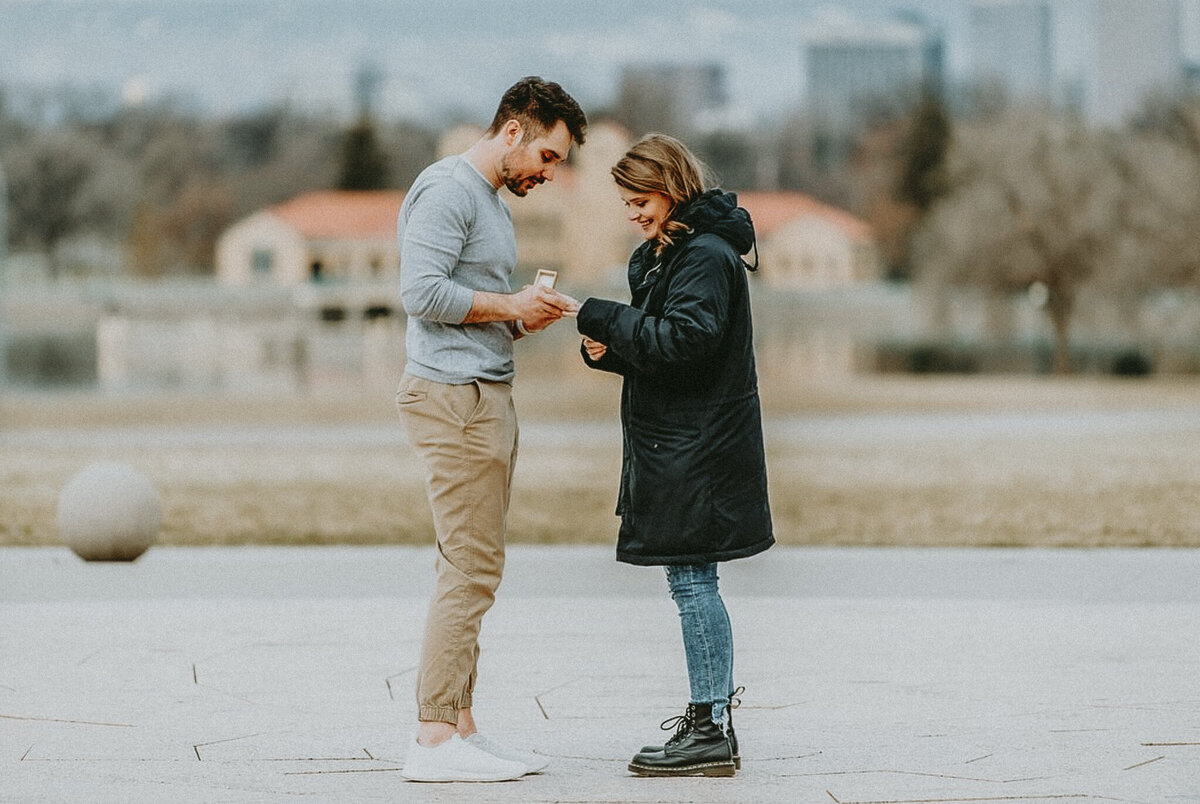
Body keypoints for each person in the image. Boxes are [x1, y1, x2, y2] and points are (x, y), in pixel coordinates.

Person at [395, 76, 586, 783]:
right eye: (548, 155)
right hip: (455, 399)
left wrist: (517, 315)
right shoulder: (449, 190)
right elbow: (420, 292)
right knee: (471, 568)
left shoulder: (487, 201)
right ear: (512, 131)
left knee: (469, 564)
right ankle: (434, 738)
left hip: (481, 392)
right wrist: (507, 302)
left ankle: (461, 728)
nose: (548, 172)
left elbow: (464, 298)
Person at [575, 133, 774, 778]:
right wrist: (608, 348)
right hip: (680, 445)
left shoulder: (704, 256)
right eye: (626, 202)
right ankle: (707, 721)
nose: (633, 212)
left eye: (641, 198)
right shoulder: (672, 255)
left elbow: (687, 342)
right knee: (691, 582)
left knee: (694, 584)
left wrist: (600, 317)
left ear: (673, 186)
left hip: (698, 451)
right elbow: (665, 348)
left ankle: (710, 725)